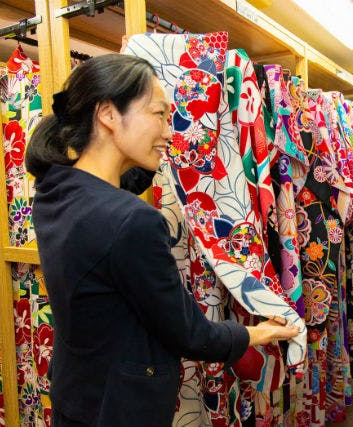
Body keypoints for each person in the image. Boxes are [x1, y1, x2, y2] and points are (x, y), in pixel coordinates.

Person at [25, 54, 299, 427]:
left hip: (78, 394)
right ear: (107, 114)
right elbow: (189, 333)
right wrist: (256, 333)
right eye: (159, 114)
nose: (170, 131)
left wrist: (154, 160)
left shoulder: (54, 192)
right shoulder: (132, 221)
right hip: (120, 411)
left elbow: (113, 196)